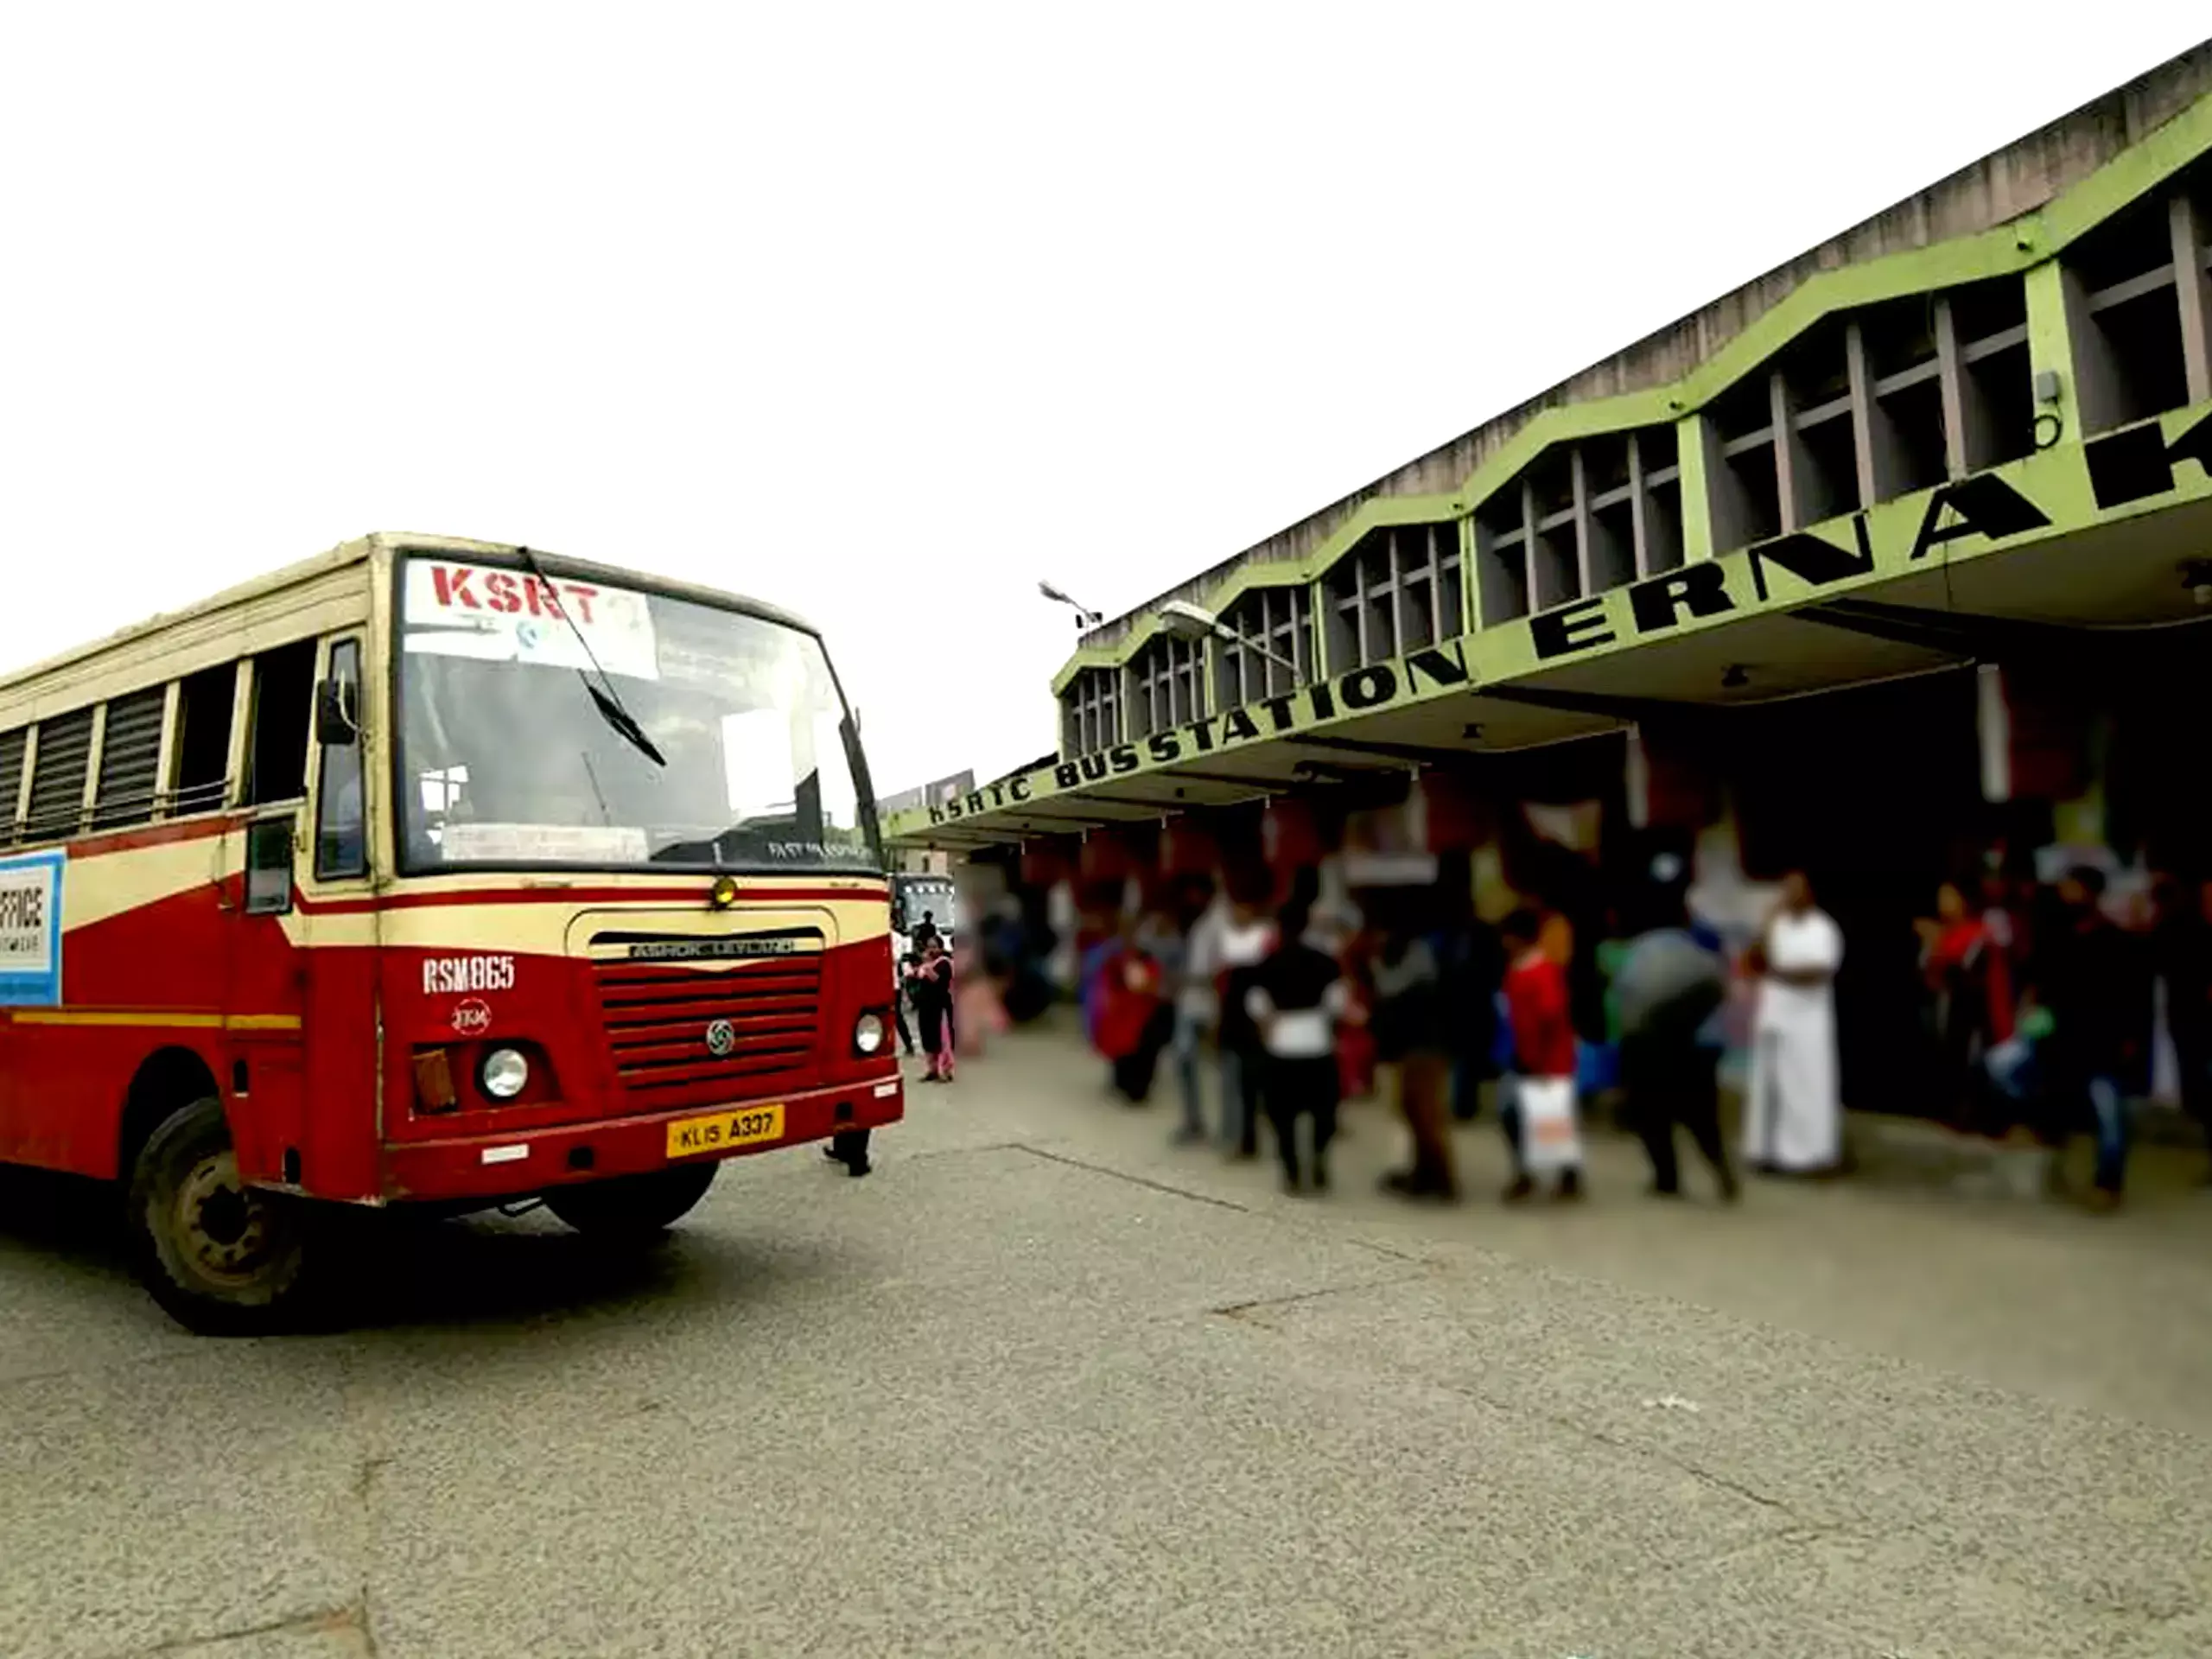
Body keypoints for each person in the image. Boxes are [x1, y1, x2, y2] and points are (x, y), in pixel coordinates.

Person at [2031, 868, 2144, 1210]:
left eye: (2072, 889)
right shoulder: (2060, 937)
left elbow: (2131, 997)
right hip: (2063, 1039)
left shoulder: (2117, 941)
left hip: (2103, 1042)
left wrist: (2129, 1039)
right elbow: (2046, 986)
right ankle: (2052, 1166)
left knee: (2109, 1114)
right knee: (2052, 1100)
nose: (2066, 896)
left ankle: (2109, 1183)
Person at [1616, 890, 1737, 1201]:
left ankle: (1666, 1177)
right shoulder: (1700, 949)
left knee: (1650, 1114)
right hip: (1696, 1046)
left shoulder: (1641, 951)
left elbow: (1627, 996)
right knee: (1702, 1117)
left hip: (1650, 1044)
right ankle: (1720, 1167)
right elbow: (1719, 989)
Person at [1245, 899, 1354, 1193]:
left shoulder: (1268, 963)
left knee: (1282, 1114)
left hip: (1282, 1043)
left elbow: (1255, 1003)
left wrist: (1268, 1027)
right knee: (1323, 1110)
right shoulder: (1326, 962)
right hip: (1317, 1042)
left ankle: (1291, 1169)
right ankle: (1318, 1155)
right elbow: (1338, 1003)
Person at [1744, 871, 1845, 1176]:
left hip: (1807, 1021)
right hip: (1774, 1015)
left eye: (1795, 889)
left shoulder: (1823, 928)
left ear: (1809, 894)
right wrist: (1765, 926)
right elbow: (1753, 962)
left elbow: (1818, 971)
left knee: (1804, 1087)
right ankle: (1767, 1151)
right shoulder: (1778, 925)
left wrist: (1777, 973)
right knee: (1770, 1085)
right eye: (1785, 889)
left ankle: (1808, 1156)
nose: (1787, 895)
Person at [1370, 897, 1457, 1201]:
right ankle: (1423, 1174)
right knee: (1413, 1112)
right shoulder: (1414, 954)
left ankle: (1442, 1180)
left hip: (1426, 1047)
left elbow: (1391, 987)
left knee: (1427, 1115)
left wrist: (1376, 966)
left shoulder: (1418, 959)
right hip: (1411, 1048)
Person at [1500, 906, 1584, 1201]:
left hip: (1546, 1057)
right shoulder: (1522, 968)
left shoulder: (1540, 970)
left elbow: (1550, 1013)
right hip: (1527, 1053)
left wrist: (1538, 1056)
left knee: (1546, 1116)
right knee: (1524, 1114)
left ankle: (1560, 1175)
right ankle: (1534, 1173)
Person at [1214, 892, 1275, 1160]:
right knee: (1232, 1080)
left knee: (1251, 1082)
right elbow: (1221, 982)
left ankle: (1249, 1138)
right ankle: (1235, 1135)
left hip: (1253, 1018)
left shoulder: (1264, 938)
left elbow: (1266, 983)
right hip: (1231, 1015)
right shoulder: (1226, 938)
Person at [908, 935, 957, 1084]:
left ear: (941, 948)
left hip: (939, 1007)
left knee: (941, 1039)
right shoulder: (926, 965)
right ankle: (932, 1069)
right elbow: (916, 977)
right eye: (929, 946)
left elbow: (937, 980)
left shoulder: (944, 963)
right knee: (927, 1038)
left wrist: (927, 967)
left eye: (934, 947)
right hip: (925, 1007)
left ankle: (945, 1071)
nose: (931, 950)